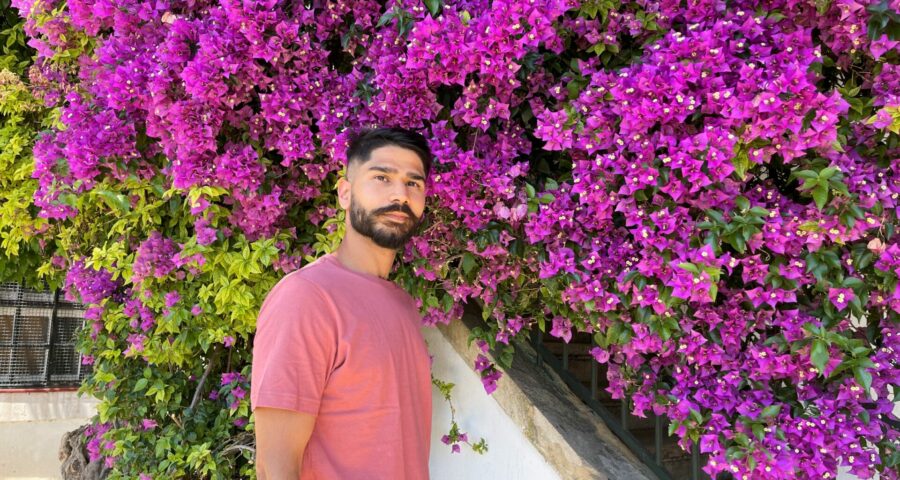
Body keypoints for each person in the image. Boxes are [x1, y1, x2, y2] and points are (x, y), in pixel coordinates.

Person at [250, 127, 434, 480]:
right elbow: (275, 465)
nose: (400, 194)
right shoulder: (307, 297)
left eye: (414, 183)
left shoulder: (403, 305)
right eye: (381, 177)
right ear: (346, 194)